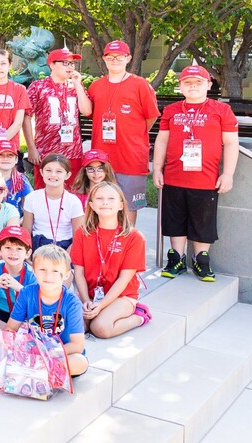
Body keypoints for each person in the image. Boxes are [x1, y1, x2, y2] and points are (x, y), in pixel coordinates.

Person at [155, 64, 239, 282]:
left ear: (209, 85)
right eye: (187, 83)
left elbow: (231, 143)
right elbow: (162, 140)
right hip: (174, 176)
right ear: (180, 86)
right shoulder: (171, 110)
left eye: (198, 82)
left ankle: (201, 259)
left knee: (203, 221)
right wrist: (157, 168)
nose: (193, 86)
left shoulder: (221, 110)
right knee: (175, 219)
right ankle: (177, 258)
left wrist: (228, 174)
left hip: (206, 179)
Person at [88, 40, 160, 227]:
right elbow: (89, 112)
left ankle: (126, 246)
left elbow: (150, 117)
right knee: (101, 205)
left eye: (119, 56)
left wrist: (134, 134)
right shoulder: (96, 86)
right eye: (110, 57)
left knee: (128, 206)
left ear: (128, 58)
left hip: (131, 158)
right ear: (104, 59)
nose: (115, 60)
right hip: (102, 160)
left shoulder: (140, 85)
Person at [72, 181, 149, 337]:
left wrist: (101, 305)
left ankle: (140, 316)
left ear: (121, 205)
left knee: (100, 328)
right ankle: (95, 310)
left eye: (111, 198)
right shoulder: (83, 233)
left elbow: (124, 279)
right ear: (91, 205)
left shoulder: (134, 237)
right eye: (99, 198)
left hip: (122, 295)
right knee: (76, 326)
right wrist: (86, 300)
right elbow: (78, 273)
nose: (105, 202)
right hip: (91, 294)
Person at [6, 245, 88, 376]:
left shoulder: (72, 302)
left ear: (67, 274)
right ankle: (40, 372)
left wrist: (48, 353)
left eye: (55, 271)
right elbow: (10, 329)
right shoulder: (26, 293)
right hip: (32, 351)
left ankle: (34, 371)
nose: (48, 276)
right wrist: (20, 349)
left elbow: (77, 345)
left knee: (79, 362)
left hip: (61, 353)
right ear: (33, 270)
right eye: (42, 269)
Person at [25, 48, 91, 187]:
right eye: (65, 63)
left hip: (73, 151)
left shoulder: (75, 86)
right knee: (45, 194)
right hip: (47, 150)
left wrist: (78, 84)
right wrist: (31, 147)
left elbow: (87, 111)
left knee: (72, 194)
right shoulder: (38, 86)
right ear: (52, 65)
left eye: (72, 63)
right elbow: (26, 117)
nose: (70, 67)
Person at [21, 154, 84, 250]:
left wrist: (65, 258)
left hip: (66, 247)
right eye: (48, 170)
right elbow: (26, 232)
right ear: (41, 172)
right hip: (38, 244)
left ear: (67, 175)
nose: (53, 175)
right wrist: (28, 258)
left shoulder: (73, 201)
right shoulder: (32, 198)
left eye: (59, 171)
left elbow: (78, 237)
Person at [0, 140, 32, 214]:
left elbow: (30, 207)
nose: (5, 159)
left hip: (16, 222)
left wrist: (18, 223)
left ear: (16, 160)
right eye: (1, 155)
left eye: (10, 155)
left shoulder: (21, 180)